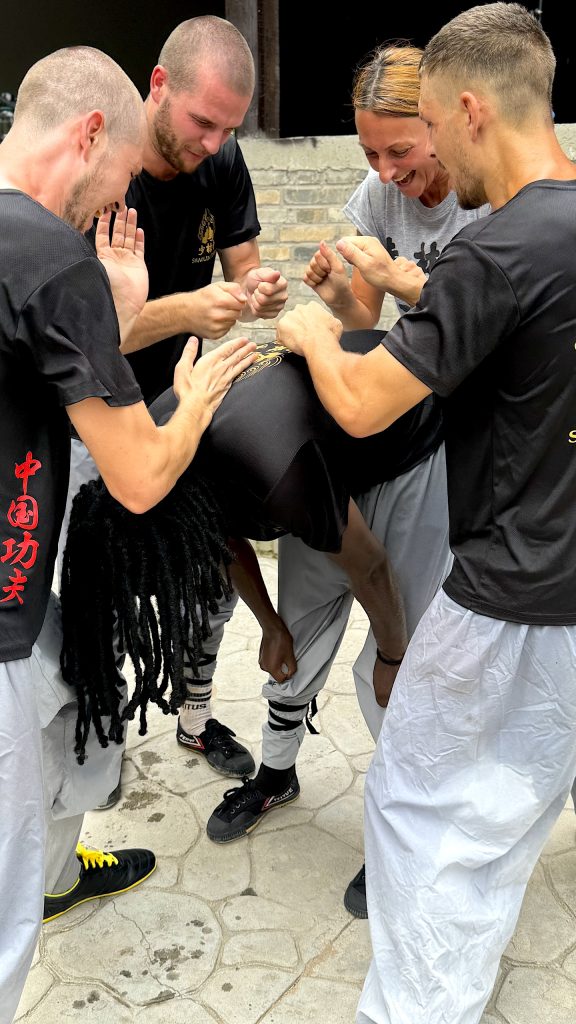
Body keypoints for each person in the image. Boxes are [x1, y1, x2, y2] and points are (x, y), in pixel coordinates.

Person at [275, 5, 576, 1023]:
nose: (428, 160)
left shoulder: (496, 252)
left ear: (469, 110)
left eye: (431, 133)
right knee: (513, 792)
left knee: (418, 810)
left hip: (507, 595)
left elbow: (363, 401)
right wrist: (388, 287)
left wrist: (312, 331)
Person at [205, 43, 491, 922]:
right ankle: (276, 772)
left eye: (400, 150)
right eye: (369, 152)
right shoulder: (377, 195)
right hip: (342, 439)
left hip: (423, 447)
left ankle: (401, 828)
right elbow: (365, 325)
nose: (385, 172)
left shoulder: (490, 206)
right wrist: (343, 297)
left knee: (403, 663)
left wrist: (411, 285)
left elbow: (487, 351)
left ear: (443, 122)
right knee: (299, 632)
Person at [0, 46, 256, 1023]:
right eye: (118, 183)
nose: (122, 201)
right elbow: (141, 474)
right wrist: (195, 396)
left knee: (72, 711)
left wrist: (112, 311)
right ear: (91, 133)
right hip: (2, 620)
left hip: (32, 590)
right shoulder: (51, 254)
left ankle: (63, 871)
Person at [58, 15, 289, 787]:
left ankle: (195, 718)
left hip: (186, 404)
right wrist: (188, 309)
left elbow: (244, 267)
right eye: (202, 123)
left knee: (206, 579)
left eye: (229, 129)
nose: (214, 143)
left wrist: (255, 291)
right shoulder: (101, 174)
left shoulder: (221, 160)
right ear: (158, 85)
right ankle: (94, 747)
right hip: (98, 414)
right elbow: (85, 334)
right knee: (99, 591)